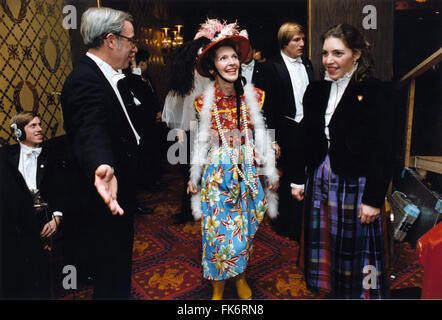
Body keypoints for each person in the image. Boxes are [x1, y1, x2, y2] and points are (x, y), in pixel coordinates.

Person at [292, 24, 395, 299]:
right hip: (320, 180)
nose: (329, 61)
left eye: (338, 53)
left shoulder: (376, 92)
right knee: (327, 246)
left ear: (357, 54)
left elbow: (384, 150)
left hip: (355, 184)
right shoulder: (315, 91)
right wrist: (299, 178)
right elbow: (306, 137)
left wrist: (374, 199)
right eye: (325, 53)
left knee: (355, 253)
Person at [186, 19, 279, 300]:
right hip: (217, 174)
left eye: (234, 56)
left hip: (249, 172)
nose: (231, 62)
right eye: (223, 57)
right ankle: (217, 286)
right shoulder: (202, 103)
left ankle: (240, 276)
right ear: (213, 67)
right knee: (217, 234)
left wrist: (272, 156)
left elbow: (263, 134)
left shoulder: (257, 97)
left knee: (247, 228)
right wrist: (193, 176)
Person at [61, 7, 140, 299]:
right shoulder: (85, 79)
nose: (134, 48)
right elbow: (89, 127)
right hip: (105, 196)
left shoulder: (110, 74)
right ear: (111, 40)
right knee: (111, 269)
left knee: (119, 264)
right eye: (130, 40)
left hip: (121, 191)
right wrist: (102, 164)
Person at [257, 22, 314, 242]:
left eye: (302, 39)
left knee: (303, 174)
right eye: (296, 40)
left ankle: (300, 223)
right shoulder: (271, 67)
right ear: (284, 43)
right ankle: (285, 224)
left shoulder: (307, 64)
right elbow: (266, 108)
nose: (302, 44)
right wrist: (271, 139)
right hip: (285, 128)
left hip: (306, 127)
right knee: (288, 175)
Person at [0, 111, 64, 299]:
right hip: (15, 220)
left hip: (42, 217)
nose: (40, 129)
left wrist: (57, 217)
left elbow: (61, 190)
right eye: (33, 126)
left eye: (40, 125)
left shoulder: (51, 156)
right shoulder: (5, 157)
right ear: (19, 132)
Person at [162, 37, 212, 224]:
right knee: (191, 171)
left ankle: (197, 208)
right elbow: (177, 107)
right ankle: (192, 208)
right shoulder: (189, 77)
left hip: (202, 130)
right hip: (191, 130)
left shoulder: (204, 75)